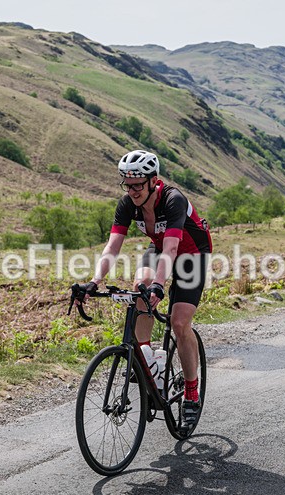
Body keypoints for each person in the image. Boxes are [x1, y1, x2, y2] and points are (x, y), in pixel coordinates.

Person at [75, 150, 212, 434]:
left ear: (154, 181)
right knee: (140, 289)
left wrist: (161, 286)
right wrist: (94, 281)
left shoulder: (173, 200)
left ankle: (191, 393)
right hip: (160, 248)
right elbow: (112, 247)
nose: (133, 190)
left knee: (179, 322)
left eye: (138, 184)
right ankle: (151, 361)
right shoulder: (127, 204)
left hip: (191, 254)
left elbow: (173, 249)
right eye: (127, 183)